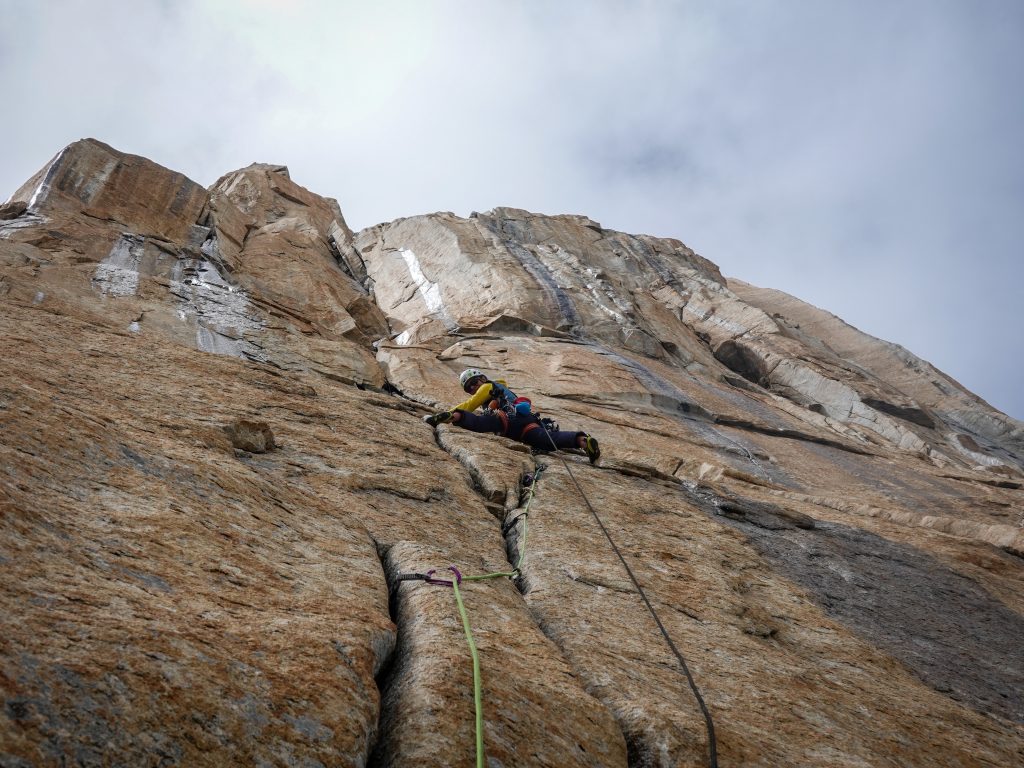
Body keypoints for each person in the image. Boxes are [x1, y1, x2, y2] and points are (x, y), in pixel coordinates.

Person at [423, 368, 601, 464]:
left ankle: (451, 417)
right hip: (526, 424)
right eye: (470, 388)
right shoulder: (504, 389)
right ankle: (583, 441)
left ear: (482, 380)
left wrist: (454, 410)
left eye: (473, 385)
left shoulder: (488, 387)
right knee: (547, 439)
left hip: (505, 418)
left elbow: (470, 405)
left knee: (478, 422)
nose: (473, 389)